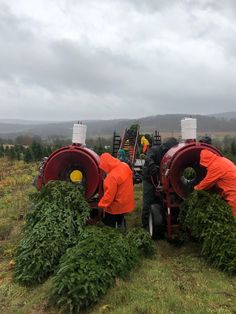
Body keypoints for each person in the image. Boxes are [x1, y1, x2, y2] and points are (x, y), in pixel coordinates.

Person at [142, 137, 178, 229]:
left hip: (161, 179)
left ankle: (159, 220)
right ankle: (145, 224)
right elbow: (148, 157)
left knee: (159, 199)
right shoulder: (155, 150)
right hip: (150, 179)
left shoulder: (170, 154)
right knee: (148, 200)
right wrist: (151, 164)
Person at [194, 149, 236, 217]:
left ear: (205, 160)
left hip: (233, 193)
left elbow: (206, 182)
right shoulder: (221, 160)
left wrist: (195, 189)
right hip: (231, 189)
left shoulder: (215, 166)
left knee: (233, 216)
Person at [98, 152, 135, 227]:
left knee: (109, 224)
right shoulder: (124, 166)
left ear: (106, 165)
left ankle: (112, 227)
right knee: (120, 217)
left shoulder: (112, 177)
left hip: (116, 206)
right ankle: (120, 225)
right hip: (126, 202)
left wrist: (100, 205)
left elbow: (109, 196)